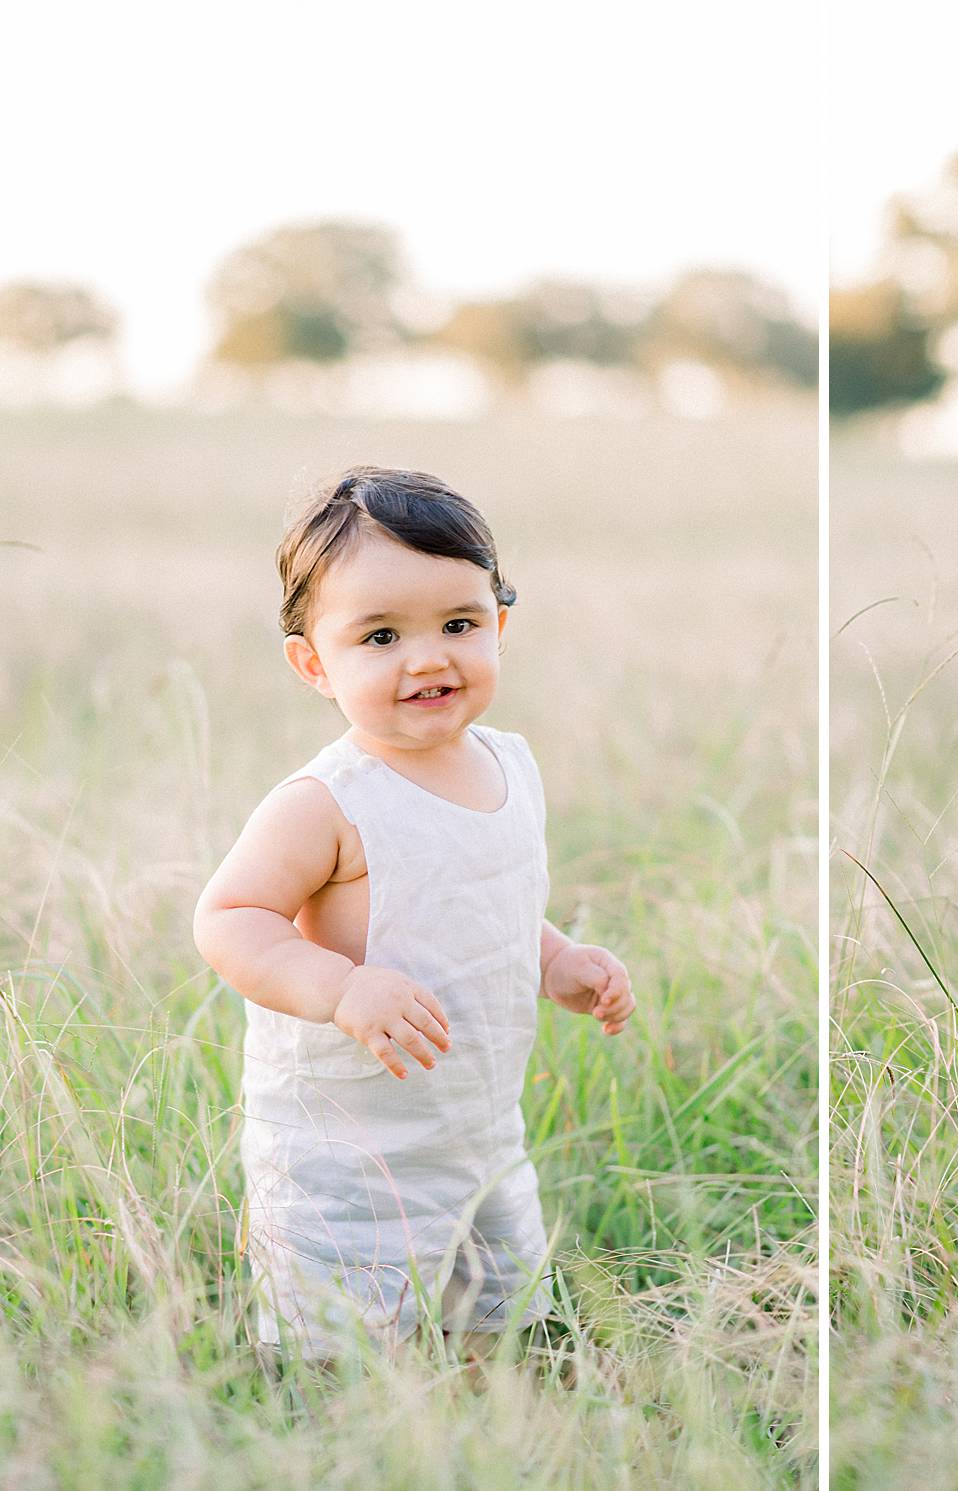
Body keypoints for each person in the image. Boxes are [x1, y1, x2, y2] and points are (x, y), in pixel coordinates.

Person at [194, 465, 635, 1363]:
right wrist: (340, 986)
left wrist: (556, 962)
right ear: (314, 661)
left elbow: (487, 904)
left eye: (459, 625)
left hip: (477, 1132)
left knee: (495, 1323)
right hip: (348, 1155)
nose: (428, 657)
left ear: (500, 624)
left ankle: (484, 1431)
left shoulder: (510, 766)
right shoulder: (326, 802)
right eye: (382, 635)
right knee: (351, 1350)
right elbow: (230, 917)